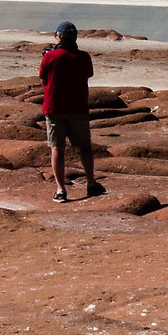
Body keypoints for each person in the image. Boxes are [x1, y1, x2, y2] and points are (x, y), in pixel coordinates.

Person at [38, 21, 102, 202]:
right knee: (85, 147)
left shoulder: (50, 57)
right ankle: (91, 183)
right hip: (78, 107)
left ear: (59, 37)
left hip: (54, 108)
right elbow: (88, 75)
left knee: (57, 148)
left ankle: (60, 190)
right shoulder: (84, 57)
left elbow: (43, 80)